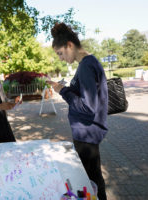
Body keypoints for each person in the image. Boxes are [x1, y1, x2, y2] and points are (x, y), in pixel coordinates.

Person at [47, 23, 108, 200]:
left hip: (87, 133)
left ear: (69, 45)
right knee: (92, 178)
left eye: (60, 53)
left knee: (90, 180)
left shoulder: (86, 66)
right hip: (87, 132)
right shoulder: (88, 63)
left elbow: (88, 107)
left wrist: (62, 91)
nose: (60, 59)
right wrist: (62, 88)